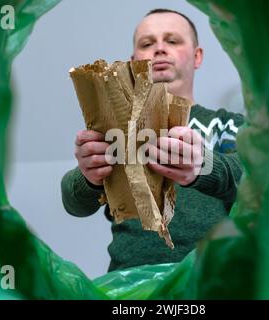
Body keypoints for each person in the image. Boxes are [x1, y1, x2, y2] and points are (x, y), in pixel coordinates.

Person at [61, 8, 245, 272]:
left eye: (172, 41)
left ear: (197, 56)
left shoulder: (226, 124)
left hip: (209, 284)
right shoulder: (114, 130)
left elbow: (257, 183)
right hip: (129, 289)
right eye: (147, 44)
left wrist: (203, 166)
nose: (159, 49)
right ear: (133, 61)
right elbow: (73, 202)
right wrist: (88, 177)